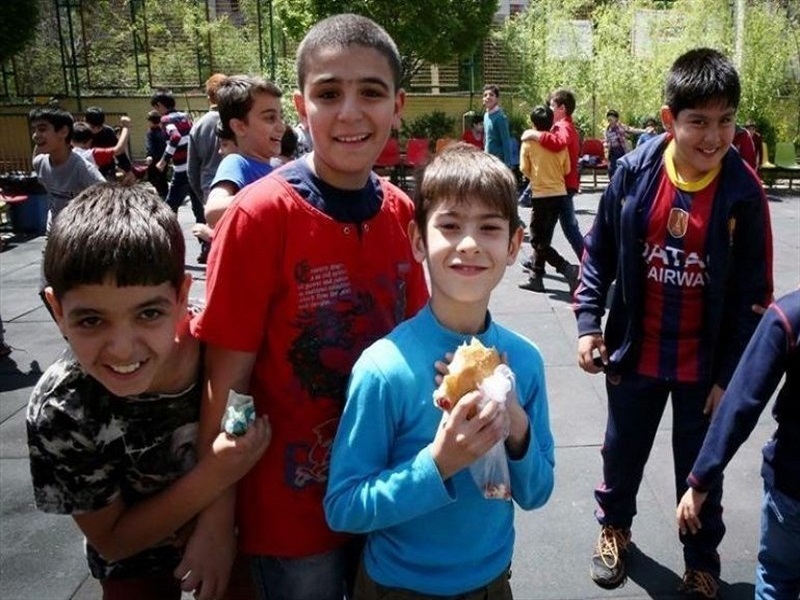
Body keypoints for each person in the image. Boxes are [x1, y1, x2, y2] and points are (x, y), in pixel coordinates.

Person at [186, 14, 429, 600]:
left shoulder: (400, 213)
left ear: (397, 106)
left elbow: (420, 350)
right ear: (301, 106)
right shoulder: (259, 217)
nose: (350, 112)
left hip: (383, 498)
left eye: (370, 92)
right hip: (291, 519)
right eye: (328, 93)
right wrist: (214, 518)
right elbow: (227, 383)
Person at [575, 48, 774, 599]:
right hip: (636, 352)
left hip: (702, 369)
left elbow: (754, 299)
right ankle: (615, 528)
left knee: (701, 469)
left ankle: (701, 562)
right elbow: (598, 252)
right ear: (669, 119)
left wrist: (728, 377)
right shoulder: (635, 173)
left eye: (725, 121)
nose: (713, 136)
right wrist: (589, 322)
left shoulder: (743, 192)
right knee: (621, 452)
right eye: (698, 122)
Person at [324, 142, 555, 598]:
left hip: (492, 582)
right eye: (449, 226)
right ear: (418, 241)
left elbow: (537, 492)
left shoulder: (523, 362)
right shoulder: (384, 368)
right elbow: (344, 507)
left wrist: (515, 421)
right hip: (398, 587)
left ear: (513, 245)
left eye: (489, 227)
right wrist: (440, 462)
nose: (469, 243)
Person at [26, 182, 270, 599]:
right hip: (134, 560)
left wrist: (216, 524)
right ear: (57, 310)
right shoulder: (62, 408)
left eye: (149, 313)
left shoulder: (226, 351)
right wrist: (215, 472)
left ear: (182, 297)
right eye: (91, 320)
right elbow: (114, 540)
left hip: (234, 526)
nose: (123, 348)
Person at [676, 287, 799, 600]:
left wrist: (700, 480)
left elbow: (741, 404)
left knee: (777, 577)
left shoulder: (790, 314)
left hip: (793, 483)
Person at [203, 75, 284, 228]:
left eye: (281, 116)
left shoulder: (275, 166)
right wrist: (277, 194)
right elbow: (213, 211)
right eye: (270, 118)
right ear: (239, 127)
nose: (281, 127)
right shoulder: (236, 162)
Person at [518, 105, 579, 294]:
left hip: (541, 195)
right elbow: (567, 168)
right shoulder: (559, 144)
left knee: (536, 240)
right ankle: (536, 277)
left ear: (532, 123)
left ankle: (566, 268)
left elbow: (523, 168)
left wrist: (536, 177)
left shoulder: (528, 143)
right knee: (544, 239)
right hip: (559, 193)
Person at [520, 89, 584, 260]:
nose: (549, 108)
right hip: (561, 184)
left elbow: (559, 143)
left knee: (568, 228)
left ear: (562, 108)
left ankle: (589, 264)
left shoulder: (564, 126)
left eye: (552, 105)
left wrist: (535, 134)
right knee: (546, 229)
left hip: (563, 184)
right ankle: (536, 264)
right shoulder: (561, 126)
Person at [29, 107, 104, 226]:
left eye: (42, 129)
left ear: (64, 132)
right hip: (53, 231)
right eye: (34, 130)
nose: (35, 135)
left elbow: (108, 203)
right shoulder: (40, 163)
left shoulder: (83, 169)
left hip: (76, 234)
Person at [188, 73, 227, 205]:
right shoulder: (239, 121)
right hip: (237, 187)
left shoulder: (198, 126)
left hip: (209, 189)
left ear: (208, 97)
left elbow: (192, 170)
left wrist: (203, 196)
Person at [84, 106, 133, 180]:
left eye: (99, 127)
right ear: (85, 122)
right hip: (87, 169)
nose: (95, 130)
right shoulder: (81, 132)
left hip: (106, 170)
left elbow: (119, 153)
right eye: (92, 127)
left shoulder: (108, 132)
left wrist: (128, 170)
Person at [603, 110, 644, 179]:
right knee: (612, 171)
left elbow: (632, 130)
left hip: (622, 150)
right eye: (609, 120)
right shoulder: (607, 130)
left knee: (623, 169)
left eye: (611, 120)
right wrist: (606, 151)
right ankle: (613, 184)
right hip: (613, 152)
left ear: (616, 119)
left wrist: (645, 131)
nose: (610, 122)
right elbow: (607, 142)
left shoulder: (621, 127)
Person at [482, 84, 512, 167]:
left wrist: (508, 164)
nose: (488, 97)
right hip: (488, 159)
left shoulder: (500, 117)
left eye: (491, 95)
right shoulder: (486, 115)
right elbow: (486, 138)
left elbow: (506, 141)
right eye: (485, 95)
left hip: (498, 162)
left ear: (497, 99)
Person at [145, 109, 170, 199]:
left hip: (154, 159)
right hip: (164, 158)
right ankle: (165, 195)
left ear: (151, 121)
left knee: (153, 178)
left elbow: (150, 145)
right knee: (163, 178)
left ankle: (160, 195)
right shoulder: (163, 131)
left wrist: (149, 155)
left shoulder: (151, 132)